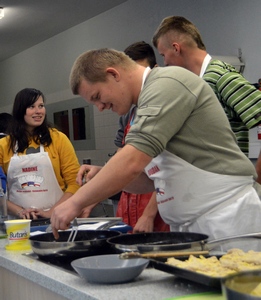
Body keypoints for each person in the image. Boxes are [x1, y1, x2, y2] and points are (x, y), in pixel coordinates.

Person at [50, 48, 261, 251]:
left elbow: (132, 162)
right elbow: (149, 180)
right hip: (193, 226)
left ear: (113, 74)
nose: (100, 107)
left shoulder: (166, 84)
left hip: (226, 219)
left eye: (97, 97)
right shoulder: (142, 105)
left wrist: (74, 203)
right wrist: (102, 175)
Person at [152, 16, 261, 157]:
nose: (165, 62)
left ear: (176, 48)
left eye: (163, 55)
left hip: (229, 176)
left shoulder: (219, 76)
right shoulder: (198, 82)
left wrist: (258, 171)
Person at [0, 88, 80, 219]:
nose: (38, 111)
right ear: (20, 110)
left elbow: (75, 183)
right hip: (18, 222)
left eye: (41, 106)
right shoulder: (4, 145)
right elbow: (0, 192)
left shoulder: (58, 139)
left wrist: (51, 212)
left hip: (57, 218)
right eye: (32, 106)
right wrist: (19, 211)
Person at [115, 41, 169, 233]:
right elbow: (120, 163)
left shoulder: (164, 108)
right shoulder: (127, 116)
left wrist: (148, 215)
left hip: (158, 209)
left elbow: (169, 173)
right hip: (128, 207)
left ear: (154, 70)